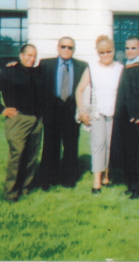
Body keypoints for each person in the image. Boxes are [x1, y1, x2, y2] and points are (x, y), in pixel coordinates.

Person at [0, 44, 42, 202]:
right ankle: (10, 192)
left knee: (31, 156)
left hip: (36, 119)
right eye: (28, 55)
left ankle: (25, 188)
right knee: (17, 154)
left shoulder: (38, 72)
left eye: (34, 56)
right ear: (21, 55)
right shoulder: (9, 72)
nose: (31, 59)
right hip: (18, 119)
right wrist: (1, 109)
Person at [75, 36, 123, 194]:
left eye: (109, 51)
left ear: (113, 50)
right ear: (97, 52)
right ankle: (97, 182)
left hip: (115, 113)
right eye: (102, 52)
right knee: (98, 145)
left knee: (111, 145)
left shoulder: (120, 68)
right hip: (97, 112)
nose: (106, 55)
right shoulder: (91, 68)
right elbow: (79, 90)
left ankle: (106, 176)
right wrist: (82, 111)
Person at [39, 37, 88, 191]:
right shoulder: (46, 64)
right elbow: (31, 75)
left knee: (71, 146)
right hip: (52, 109)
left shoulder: (82, 66)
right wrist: (14, 65)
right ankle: (49, 179)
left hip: (71, 110)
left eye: (70, 47)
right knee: (50, 145)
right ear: (58, 47)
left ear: (74, 49)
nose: (67, 50)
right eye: (64, 46)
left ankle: (68, 179)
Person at [110, 36, 139, 199]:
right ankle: (131, 185)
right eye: (127, 48)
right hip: (125, 118)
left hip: (137, 119)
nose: (130, 51)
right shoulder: (127, 66)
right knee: (129, 153)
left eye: (133, 48)